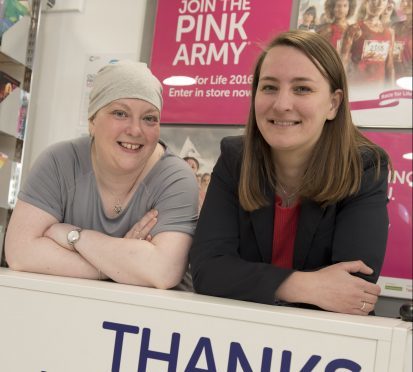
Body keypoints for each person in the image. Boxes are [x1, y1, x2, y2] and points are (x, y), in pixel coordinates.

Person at [190, 30, 391, 315]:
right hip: (238, 335)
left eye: (302, 89)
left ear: (333, 104)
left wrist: (249, 280)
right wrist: (304, 285)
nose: (282, 104)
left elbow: (351, 288)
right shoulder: (235, 158)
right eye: (269, 87)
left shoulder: (364, 166)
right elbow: (208, 270)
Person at [5, 60, 199, 290]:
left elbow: (162, 271)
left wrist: (74, 237)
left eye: (149, 118)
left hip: (152, 321)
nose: (135, 130)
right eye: (120, 113)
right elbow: (20, 252)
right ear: (92, 121)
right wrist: (120, 265)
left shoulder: (175, 178)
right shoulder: (59, 162)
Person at [341, 0, 395, 87]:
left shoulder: (390, 32)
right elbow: (343, 61)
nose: (379, 4)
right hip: (357, 86)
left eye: (383, 0)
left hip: (379, 89)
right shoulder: (354, 29)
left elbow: (389, 66)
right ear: (366, 2)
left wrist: (392, 91)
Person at [392, 0, 412, 80]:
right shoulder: (394, 26)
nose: (404, 3)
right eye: (402, 0)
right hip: (394, 75)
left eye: (409, 1)